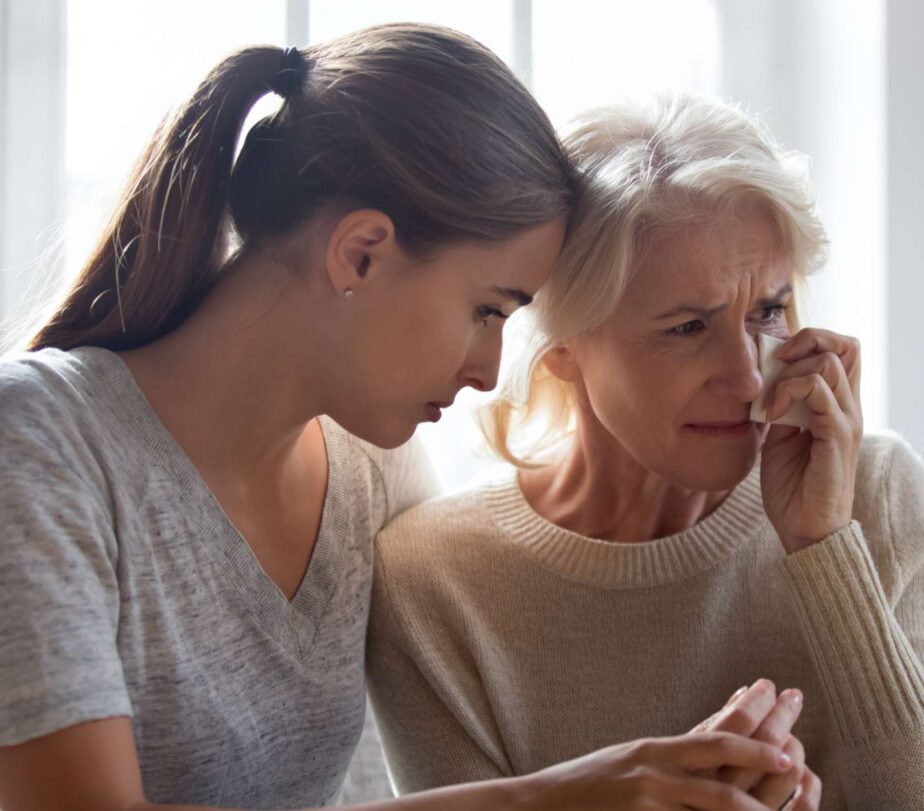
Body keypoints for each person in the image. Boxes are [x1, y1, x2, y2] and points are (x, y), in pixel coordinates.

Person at [0, 25, 805, 811]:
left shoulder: (372, 472)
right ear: (360, 253)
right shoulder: (42, 439)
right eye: (487, 310)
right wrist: (565, 795)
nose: (491, 369)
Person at [367, 94, 924, 810]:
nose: (745, 378)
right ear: (563, 349)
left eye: (767, 310)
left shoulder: (876, 491)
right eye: (686, 328)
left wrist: (826, 548)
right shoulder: (433, 580)